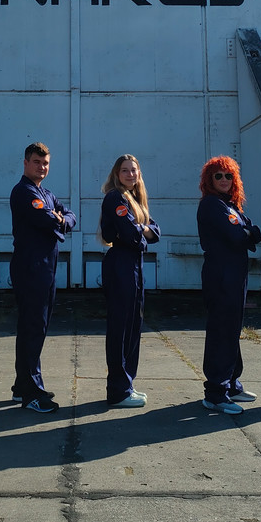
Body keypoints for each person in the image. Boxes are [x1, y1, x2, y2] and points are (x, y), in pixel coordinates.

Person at [9, 142, 76, 413]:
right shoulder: (23, 192)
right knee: (32, 328)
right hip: (30, 268)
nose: (41, 167)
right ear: (26, 163)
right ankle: (31, 393)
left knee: (37, 327)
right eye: (36, 162)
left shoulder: (45, 193)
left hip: (46, 269)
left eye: (45, 163)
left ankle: (21, 386)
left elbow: (70, 216)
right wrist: (58, 220)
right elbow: (48, 220)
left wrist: (61, 219)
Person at [197, 156, 261, 415]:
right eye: (218, 176)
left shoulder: (230, 206)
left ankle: (232, 384)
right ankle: (215, 393)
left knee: (232, 329)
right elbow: (238, 236)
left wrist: (247, 232)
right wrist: (246, 232)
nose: (224, 180)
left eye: (229, 176)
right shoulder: (212, 204)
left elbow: (254, 232)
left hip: (235, 275)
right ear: (209, 179)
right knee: (221, 331)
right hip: (221, 275)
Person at [99, 154, 160, 407]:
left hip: (135, 264)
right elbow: (131, 234)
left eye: (134, 170)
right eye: (125, 170)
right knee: (120, 328)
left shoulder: (135, 199)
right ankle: (117, 390)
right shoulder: (116, 197)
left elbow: (155, 231)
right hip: (121, 264)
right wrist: (142, 229)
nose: (130, 174)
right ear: (117, 174)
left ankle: (127, 384)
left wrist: (141, 228)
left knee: (134, 326)